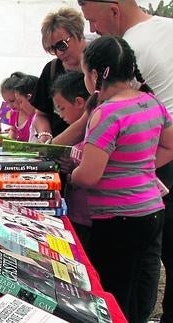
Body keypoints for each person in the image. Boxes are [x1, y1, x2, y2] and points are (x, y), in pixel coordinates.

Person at [78, 2, 173, 321]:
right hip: (152, 210)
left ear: (95, 74)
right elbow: (170, 146)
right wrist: (140, 166)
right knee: (138, 282)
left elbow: (89, 176)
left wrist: (73, 168)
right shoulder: (151, 103)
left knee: (113, 291)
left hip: (118, 217)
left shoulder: (106, 114)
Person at [31, 7, 88, 145]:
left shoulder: (98, 67)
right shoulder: (51, 69)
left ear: (78, 33)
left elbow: (85, 123)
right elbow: (40, 114)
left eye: (62, 45)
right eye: (52, 49)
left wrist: (53, 146)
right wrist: (44, 135)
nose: (58, 53)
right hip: (58, 156)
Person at [50, 71, 92, 253]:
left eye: (62, 108)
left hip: (90, 216)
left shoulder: (92, 135)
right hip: (76, 212)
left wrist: (75, 170)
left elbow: (91, 172)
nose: (60, 115)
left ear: (79, 102)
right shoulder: (75, 135)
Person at [0, 72, 35, 142]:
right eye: (6, 102)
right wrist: (10, 137)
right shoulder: (13, 113)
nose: (9, 106)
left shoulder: (33, 115)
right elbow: (13, 130)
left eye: (12, 101)